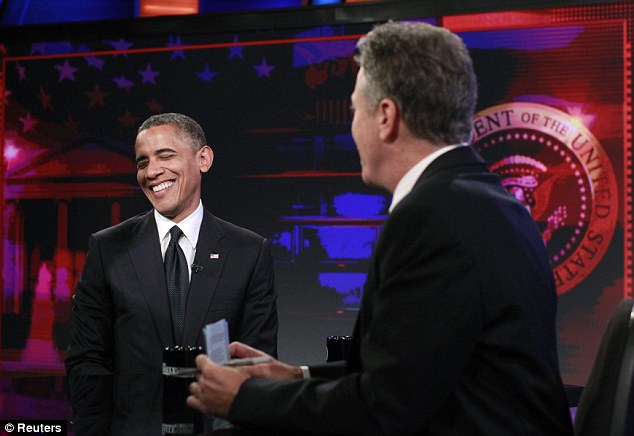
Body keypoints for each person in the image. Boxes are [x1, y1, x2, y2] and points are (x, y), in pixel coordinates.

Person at [186, 21, 574, 435]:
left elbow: (384, 410)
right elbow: (415, 371)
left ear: (386, 116)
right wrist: (296, 376)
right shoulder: (490, 201)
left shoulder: (431, 217)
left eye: (355, 110)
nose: (352, 127)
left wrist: (244, 399)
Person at [65, 112, 278, 434]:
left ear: (203, 158)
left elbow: (257, 366)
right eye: (141, 162)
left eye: (166, 156)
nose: (151, 171)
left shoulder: (248, 251)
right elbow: (88, 362)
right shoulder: (108, 248)